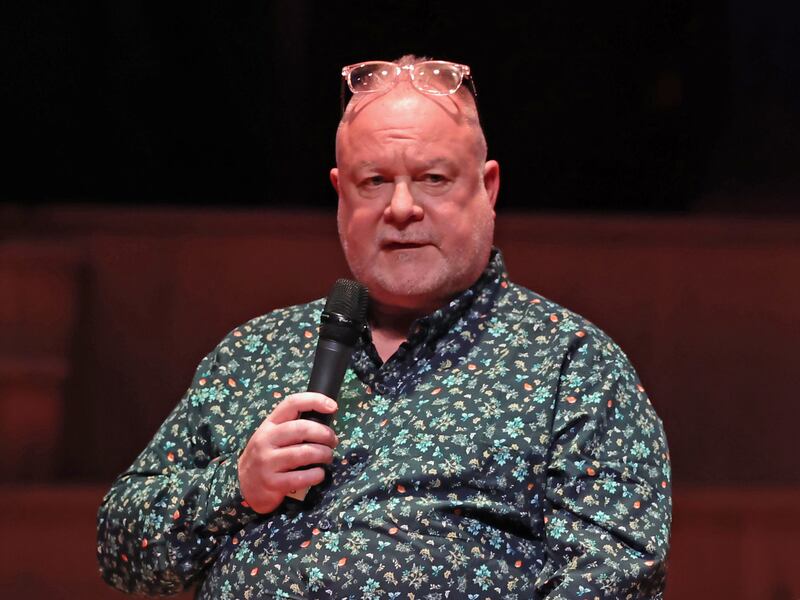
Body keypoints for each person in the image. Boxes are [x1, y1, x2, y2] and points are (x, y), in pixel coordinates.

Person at [97, 55, 671, 599]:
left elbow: (615, 574)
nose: (401, 208)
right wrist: (237, 486)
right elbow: (122, 551)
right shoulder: (253, 351)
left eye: (433, 179)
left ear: (488, 188)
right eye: (374, 181)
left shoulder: (570, 363)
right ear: (340, 194)